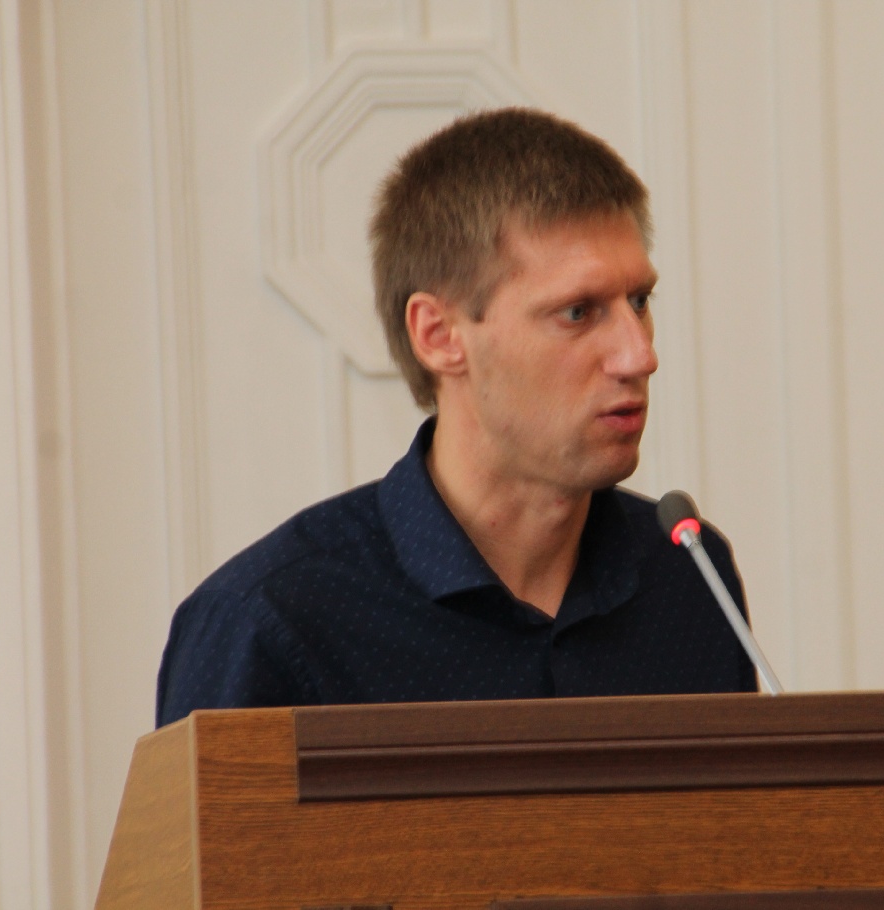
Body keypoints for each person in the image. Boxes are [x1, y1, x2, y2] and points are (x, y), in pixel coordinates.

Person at [155, 107, 756, 726]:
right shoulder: (270, 619)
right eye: (578, 312)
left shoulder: (689, 575)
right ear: (439, 336)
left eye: (639, 300)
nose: (640, 356)